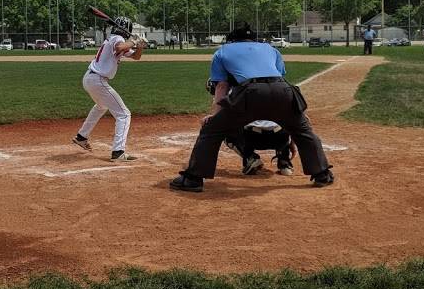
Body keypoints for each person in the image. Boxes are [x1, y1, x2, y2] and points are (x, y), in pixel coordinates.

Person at [170, 23, 333, 192]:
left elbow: (221, 87)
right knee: (303, 131)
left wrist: (215, 116)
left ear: (232, 40)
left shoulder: (223, 51)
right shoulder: (270, 49)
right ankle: (322, 173)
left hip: (250, 93)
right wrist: (299, 115)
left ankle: (193, 179)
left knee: (211, 131)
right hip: (283, 90)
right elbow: (276, 78)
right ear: (253, 39)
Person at [71, 17, 145, 162]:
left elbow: (136, 57)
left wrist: (140, 46)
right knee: (124, 114)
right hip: (97, 80)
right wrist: (134, 41)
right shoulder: (116, 39)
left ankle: (81, 136)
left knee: (101, 106)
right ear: (127, 30)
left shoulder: (114, 39)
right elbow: (119, 47)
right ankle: (118, 152)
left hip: (91, 79)